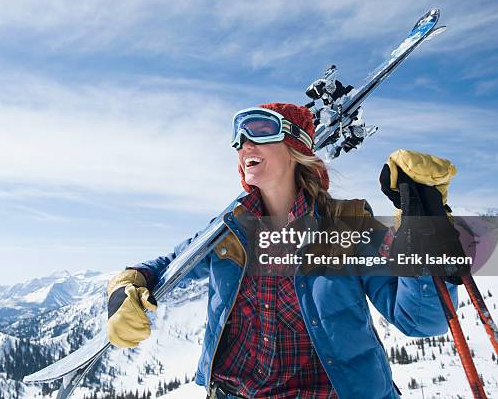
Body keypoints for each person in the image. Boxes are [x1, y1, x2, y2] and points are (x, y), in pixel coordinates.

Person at [105, 103, 461, 399]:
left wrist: (424, 227)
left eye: (258, 131)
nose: (244, 146)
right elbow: (169, 265)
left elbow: (422, 318)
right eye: (238, 140)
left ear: (296, 150)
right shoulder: (230, 229)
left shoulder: (348, 225)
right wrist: (124, 288)